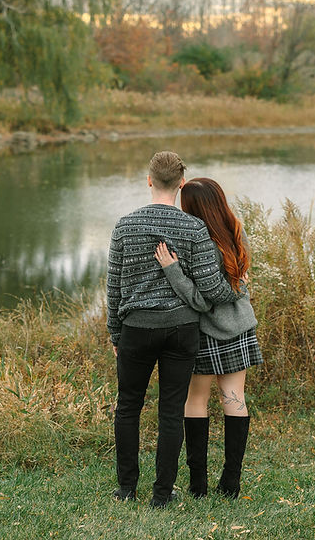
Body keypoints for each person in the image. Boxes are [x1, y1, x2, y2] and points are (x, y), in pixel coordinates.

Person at [107, 152, 243, 509]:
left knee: (128, 408)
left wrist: (115, 334)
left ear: (149, 180)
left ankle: (126, 489)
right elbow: (213, 291)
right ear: (181, 183)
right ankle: (162, 495)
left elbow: (114, 287)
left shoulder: (124, 225)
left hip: (136, 327)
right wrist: (236, 287)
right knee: (170, 410)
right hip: (181, 330)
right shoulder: (194, 229)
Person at [153, 177, 263, 500]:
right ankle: (230, 483)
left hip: (202, 330)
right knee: (234, 398)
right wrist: (237, 288)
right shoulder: (235, 228)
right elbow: (242, 279)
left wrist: (172, 269)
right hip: (239, 328)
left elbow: (198, 296)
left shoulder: (191, 239)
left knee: (196, 401)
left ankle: (198, 485)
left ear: (192, 208)